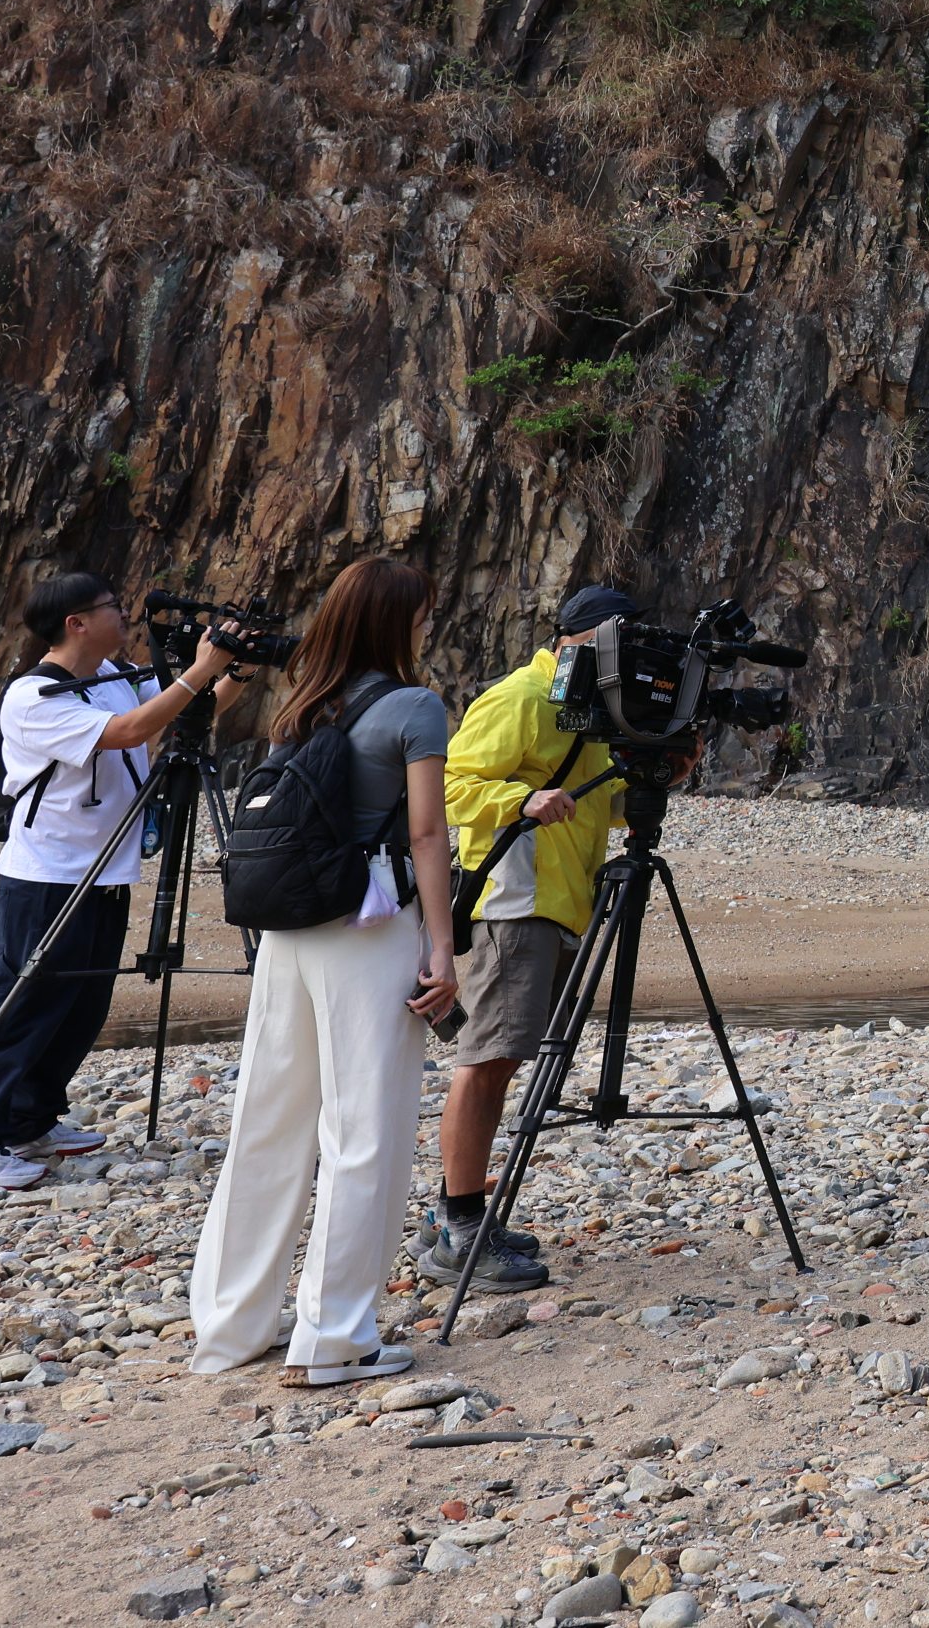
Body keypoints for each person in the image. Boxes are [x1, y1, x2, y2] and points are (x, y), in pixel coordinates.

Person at [188, 558, 461, 1388]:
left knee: (266, 1123)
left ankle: (230, 1329)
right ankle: (335, 1339)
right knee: (362, 1132)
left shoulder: (300, 705)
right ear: (394, 621)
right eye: (420, 613)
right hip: (368, 930)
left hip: (287, 932)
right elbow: (424, 836)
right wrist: (442, 948)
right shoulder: (415, 707)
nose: (426, 625)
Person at [0, 573, 242, 1193]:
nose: (123, 616)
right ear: (75, 622)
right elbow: (128, 733)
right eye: (111, 608)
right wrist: (198, 670)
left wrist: (231, 668)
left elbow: (173, 712)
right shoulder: (34, 696)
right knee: (19, 1008)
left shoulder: (112, 681)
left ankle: (29, 1123)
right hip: (48, 877)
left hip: (106, 871)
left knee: (78, 1008)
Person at [427, 582, 638, 1289]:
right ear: (576, 637)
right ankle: (458, 1223)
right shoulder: (522, 696)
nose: (621, 656)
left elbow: (594, 807)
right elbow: (447, 783)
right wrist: (521, 798)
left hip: (561, 900)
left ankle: (455, 1213)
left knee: (505, 1058)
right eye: (613, 641)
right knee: (488, 1059)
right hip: (514, 901)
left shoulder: (590, 706)